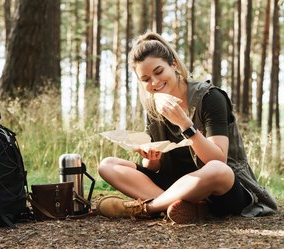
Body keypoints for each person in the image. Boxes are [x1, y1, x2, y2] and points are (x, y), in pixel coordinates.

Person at [96, 31, 277, 224]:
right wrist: (151, 157)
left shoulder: (210, 98)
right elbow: (153, 168)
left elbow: (219, 159)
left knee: (217, 169)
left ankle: (147, 208)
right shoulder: (153, 106)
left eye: (158, 72)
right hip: (176, 184)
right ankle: (185, 207)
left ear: (173, 64)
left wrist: (185, 124)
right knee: (107, 165)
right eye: (146, 79)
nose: (154, 82)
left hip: (219, 188)